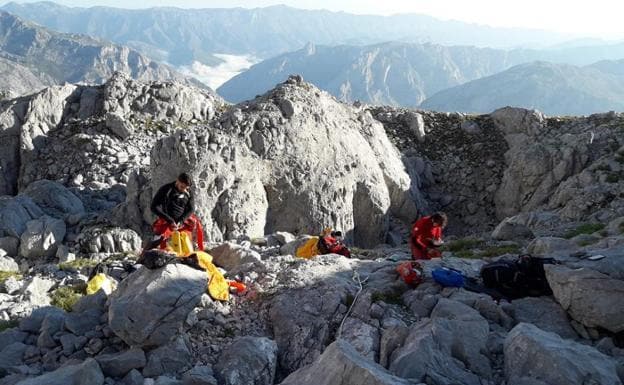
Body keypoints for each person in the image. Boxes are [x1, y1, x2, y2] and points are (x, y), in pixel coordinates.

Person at [149, 173, 203, 250]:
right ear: (177, 181)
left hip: (182, 221)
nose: (184, 190)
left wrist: (181, 221)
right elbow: (154, 206)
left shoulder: (188, 192)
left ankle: (197, 251)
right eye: (182, 187)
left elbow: (191, 209)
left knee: (192, 233)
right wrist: (170, 220)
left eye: (186, 188)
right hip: (167, 220)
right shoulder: (166, 189)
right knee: (157, 239)